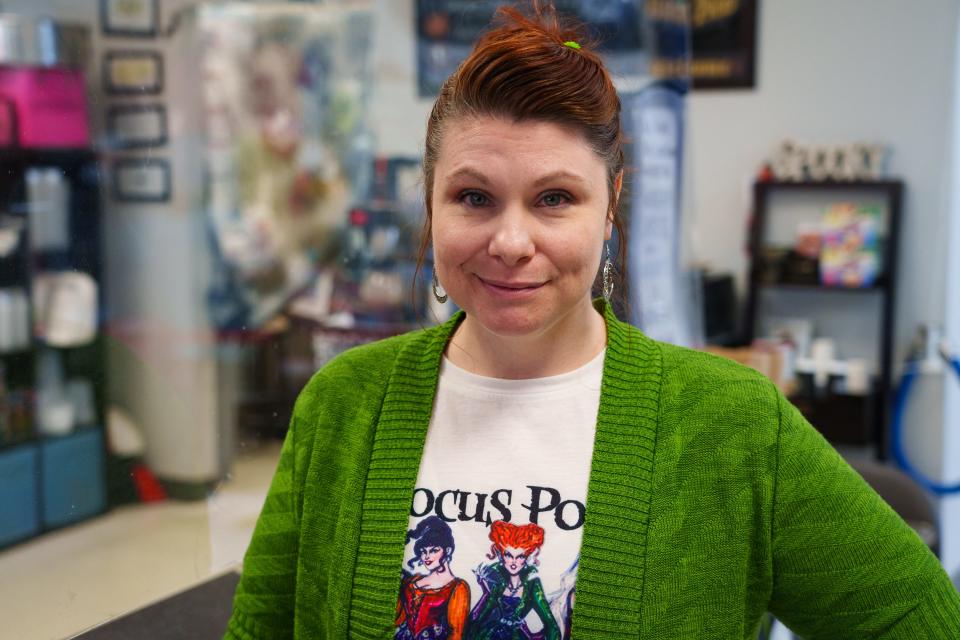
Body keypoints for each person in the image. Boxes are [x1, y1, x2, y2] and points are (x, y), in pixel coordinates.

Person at [224, 2, 960, 639]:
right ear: (431, 204)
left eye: (554, 199)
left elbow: (918, 618)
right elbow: (260, 626)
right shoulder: (345, 404)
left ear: (610, 208)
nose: (511, 243)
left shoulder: (732, 424)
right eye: (474, 197)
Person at [468, 521, 560, 639]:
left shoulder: (532, 583)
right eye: (509, 555)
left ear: (528, 557)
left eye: (520, 556)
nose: (514, 562)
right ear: (500, 554)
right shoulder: (494, 578)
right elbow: (474, 622)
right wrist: (486, 594)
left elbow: (551, 624)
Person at [395, 516, 470, 640]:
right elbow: (396, 619)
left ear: (448, 550)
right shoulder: (412, 581)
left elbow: (456, 633)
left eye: (434, 550)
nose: (427, 557)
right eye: (424, 551)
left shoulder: (457, 587)